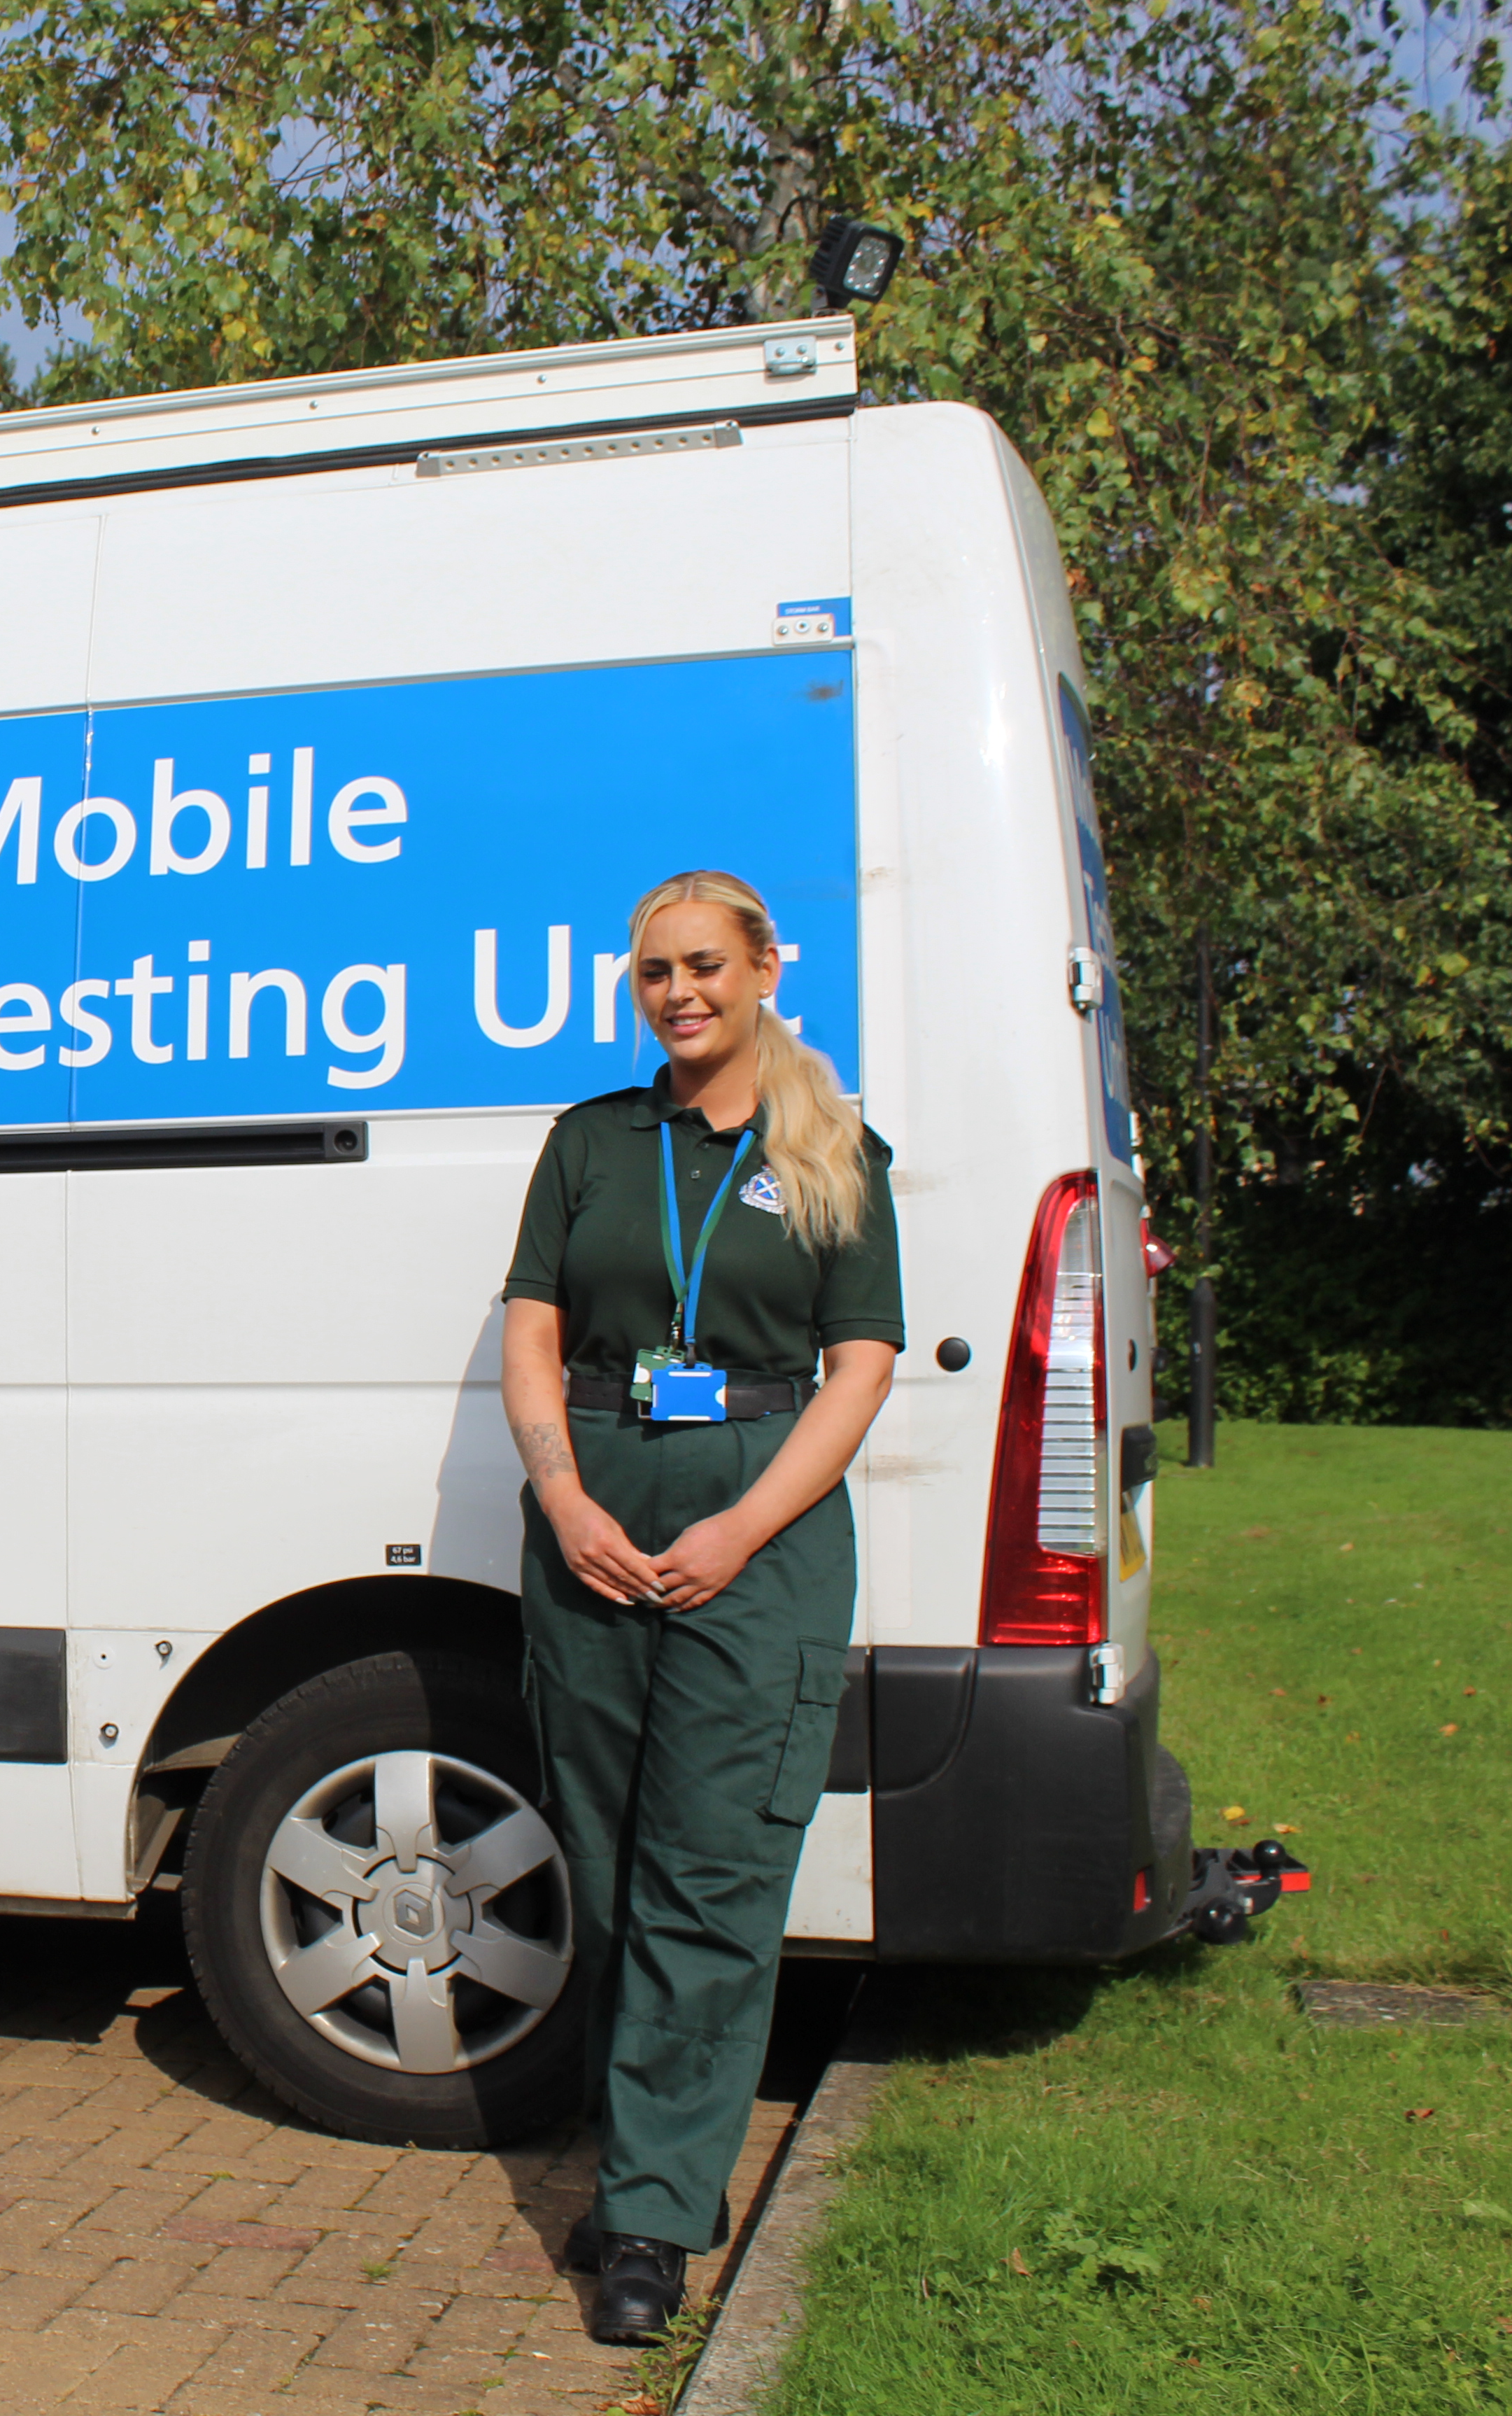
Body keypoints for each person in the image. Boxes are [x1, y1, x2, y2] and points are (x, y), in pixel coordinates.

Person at [496, 869, 903, 2344]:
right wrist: (564, 1500)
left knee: (714, 1873)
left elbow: (860, 1363)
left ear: (764, 968)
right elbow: (532, 1330)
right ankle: (671, 2153)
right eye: (655, 971)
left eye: (705, 967)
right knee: (606, 1869)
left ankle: (651, 2217)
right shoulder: (592, 1143)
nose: (679, 993)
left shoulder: (831, 1149)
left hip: (761, 1521)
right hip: (597, 1507)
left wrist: (740, 1523)